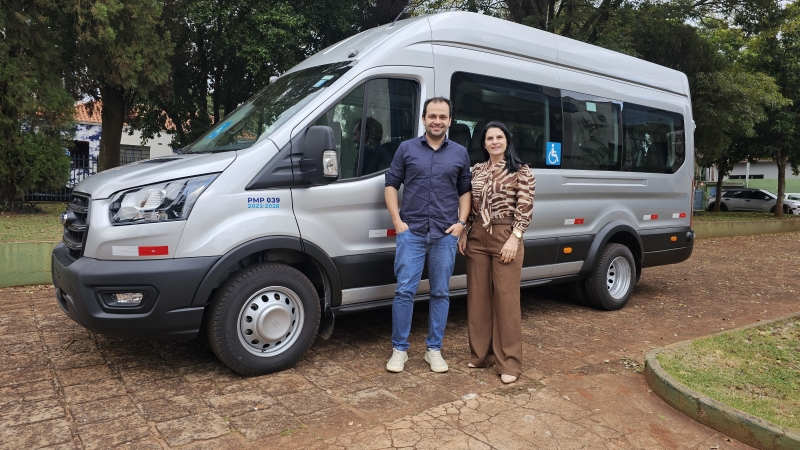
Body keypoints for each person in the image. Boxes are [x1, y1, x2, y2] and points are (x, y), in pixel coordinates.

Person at [384, 97, 471, 373]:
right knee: (404, 292)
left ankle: (434, 349)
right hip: (412, 232)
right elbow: (391, 184)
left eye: (443, 116)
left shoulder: (460, 153)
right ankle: (399, 350)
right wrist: (397, 221)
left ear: (450, 121)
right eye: (432, 116)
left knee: (441, 292)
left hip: (445, 234)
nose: (437, 121)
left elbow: (465, 191)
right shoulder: (406, 148)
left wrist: (461, 223)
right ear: (423, 119)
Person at [458, 121, 534, 384]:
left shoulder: (521, 170)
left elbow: (525, 206)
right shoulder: (477, 170)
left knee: (506, 301)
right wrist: (465, 231)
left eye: (499, 137)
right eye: (489, 138)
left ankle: (509, 363)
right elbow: (470, 203)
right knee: (478, 298)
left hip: (505, 234)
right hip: (477, 235)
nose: (494, 142)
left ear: (507, 140)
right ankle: (482, 355)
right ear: (484, 143)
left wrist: (515, 237)